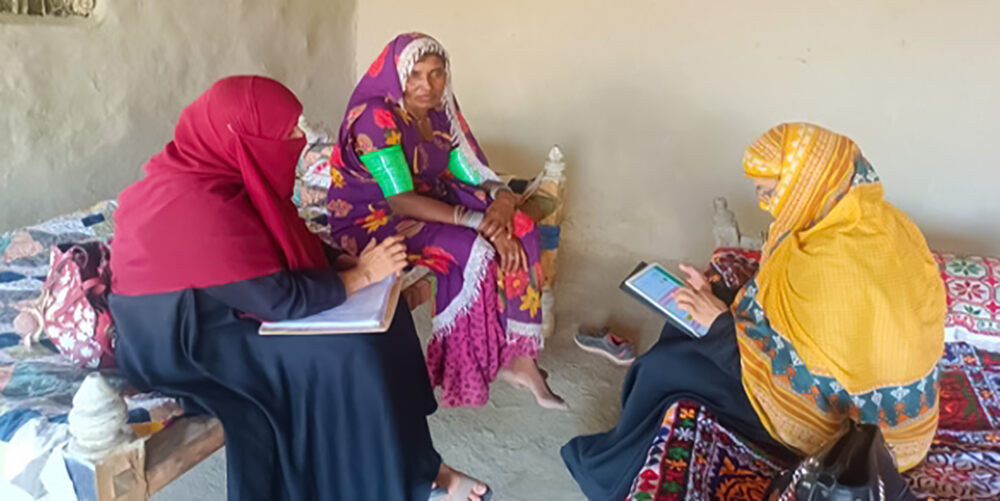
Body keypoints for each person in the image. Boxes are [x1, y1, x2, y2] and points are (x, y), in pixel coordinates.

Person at [108, 76, 488, 501]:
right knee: (347, 351)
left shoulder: (222, 170)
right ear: (244, 139)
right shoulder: (191, 205)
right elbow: (277, 298)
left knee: (387, 312)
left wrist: (344, 266)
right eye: (286, 133)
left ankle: (421, 466)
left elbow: (274, 238)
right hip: (185, 342)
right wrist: (361, 275)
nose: (299, 139)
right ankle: (393, 485)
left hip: (224, 305)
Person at [561, 123, 944, 499]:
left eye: (771, 191)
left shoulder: (833, 268)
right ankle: (627, 445)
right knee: (683, 326)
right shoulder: (871, 222)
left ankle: (609, 475)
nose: (764, 204)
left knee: (667, 368)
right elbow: (786, 313)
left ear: (808, 182)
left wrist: (720, 324)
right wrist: (720, 298)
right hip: (865, 407)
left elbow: (804, 390)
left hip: (850, 433)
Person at [326, 33, 565, 410]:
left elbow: (467, 166)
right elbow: (400, 200)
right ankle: (462, 368)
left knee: (521, 227)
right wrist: (476, 221)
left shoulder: (442, 108)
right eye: (415, 74)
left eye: (437, 73)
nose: (427, 85)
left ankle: (521, 359)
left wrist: (502, 200)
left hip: (429, 196)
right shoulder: (376, 117)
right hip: (371, 218)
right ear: (397, 75)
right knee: (473, 250)